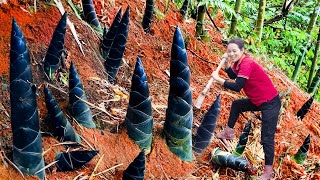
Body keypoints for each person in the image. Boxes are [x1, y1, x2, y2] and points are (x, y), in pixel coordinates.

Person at [211, 38, 281, 180]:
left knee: (266, 138)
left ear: (242, 50)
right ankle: (228, 133)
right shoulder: (239, 63)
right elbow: (234, 76)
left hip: (270, 103)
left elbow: (237, 86)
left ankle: (268, 172)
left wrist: (218, 79)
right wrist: (226, 64)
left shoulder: (247, 63)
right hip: (259, 100)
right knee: (237, 105)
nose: (231, 54)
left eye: (234, 51)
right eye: (229, 51)